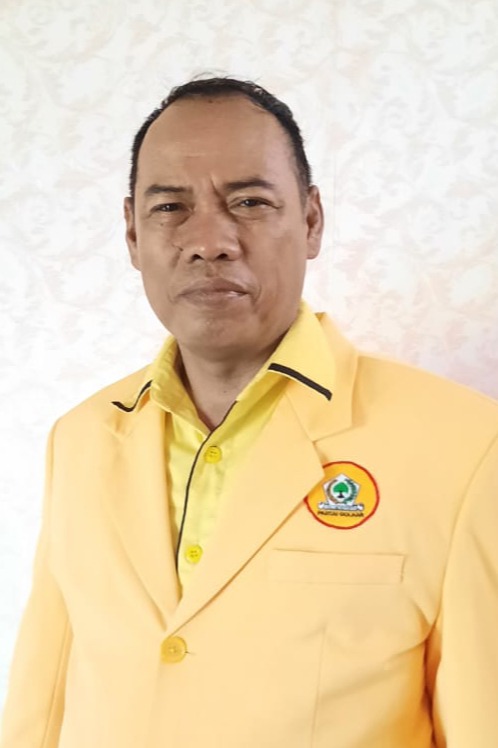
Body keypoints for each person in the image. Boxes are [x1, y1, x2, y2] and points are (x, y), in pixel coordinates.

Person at [1, 77, 497, 748]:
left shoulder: (464, 446)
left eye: (250, 201)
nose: (209, 241)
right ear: (132, 233)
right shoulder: (81, 438)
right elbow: (39, 710)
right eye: (170, 206)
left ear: (312, 220)